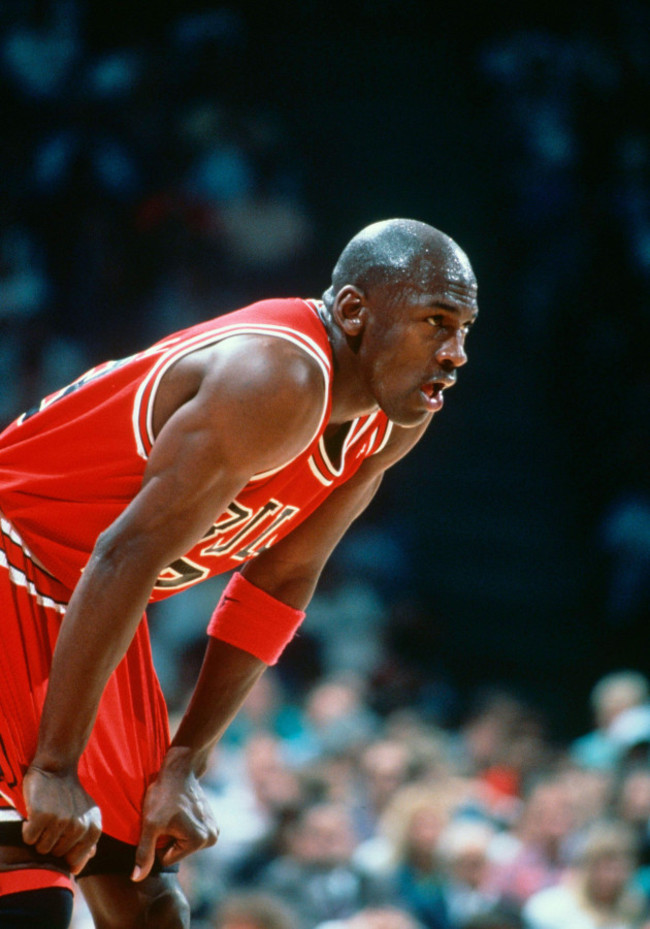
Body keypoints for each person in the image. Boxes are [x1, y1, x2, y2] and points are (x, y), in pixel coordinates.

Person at [0, 217, 479, 927]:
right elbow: (126, 551)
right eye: (435, 322)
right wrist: (56, 765)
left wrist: (185, 763)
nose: (455, 353)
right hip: (18, 553)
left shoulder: (395, 416)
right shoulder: (277, 376)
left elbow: (282, 578)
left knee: (149, 898)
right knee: (34, 876)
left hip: (89, 595)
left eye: (465, 328)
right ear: (353, 311)